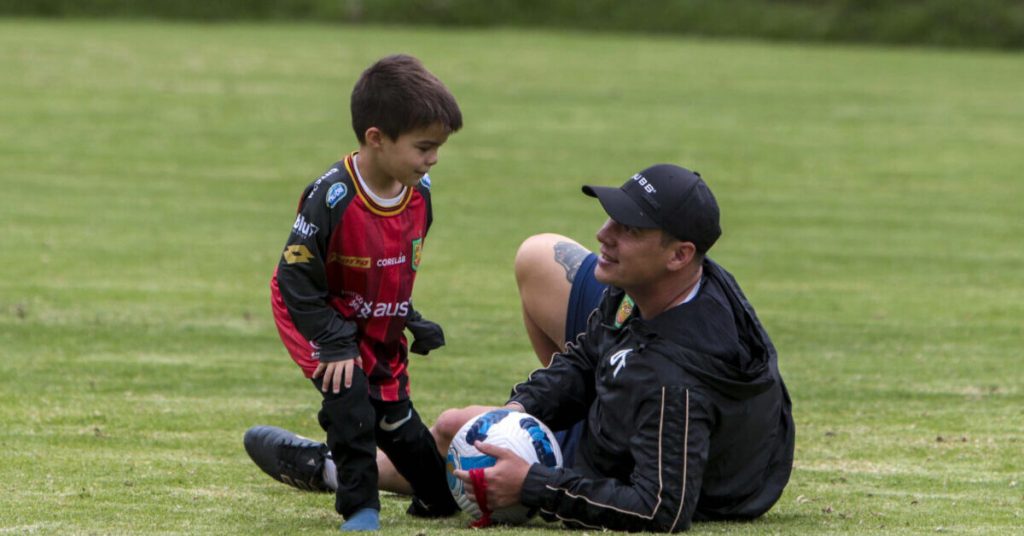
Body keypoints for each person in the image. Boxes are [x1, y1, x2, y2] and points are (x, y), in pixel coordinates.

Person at [249, 163, 795, 532]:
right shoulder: (663, 285)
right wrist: (522, 409)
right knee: (541, 256)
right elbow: (589, 354)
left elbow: (662, 508)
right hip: (645, 398)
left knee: (454, 428)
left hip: (656, 452)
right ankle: (543, 434)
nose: (605, 233)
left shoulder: (672, 381)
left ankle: (338, 469)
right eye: (613, 215)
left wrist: (535, 482)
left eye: (629, 228)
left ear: (679, 254)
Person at [252, 53, 463, 532]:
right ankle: (360, 510)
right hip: (315, 315)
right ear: (376, 138)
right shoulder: (332, 197)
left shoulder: (420, 194)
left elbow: (389, 269)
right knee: (351, 406)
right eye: (424, 147)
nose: (433, 159)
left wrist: (408, 316)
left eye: (437, 148)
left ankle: (435, 500)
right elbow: (294, 278)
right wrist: (332, 341)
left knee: (398, 420)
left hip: (373, 318)